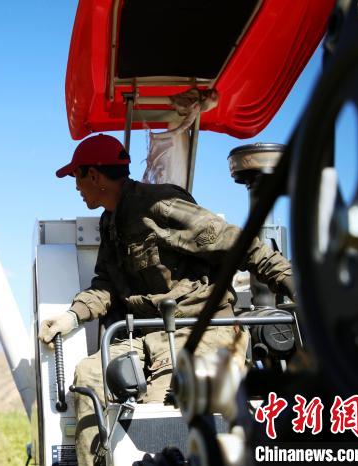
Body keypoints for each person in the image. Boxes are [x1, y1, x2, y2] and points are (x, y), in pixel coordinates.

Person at [38, 134, 295, 466]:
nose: (76, 187)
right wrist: (71, 317)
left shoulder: (159, 205)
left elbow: (238, 244)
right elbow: (105, 286)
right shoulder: (110, 223)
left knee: (159, 411)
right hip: (147, 335)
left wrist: (292, 283)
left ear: (94, 176)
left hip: (200, 331)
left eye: (77, 177)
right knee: (88, 374)